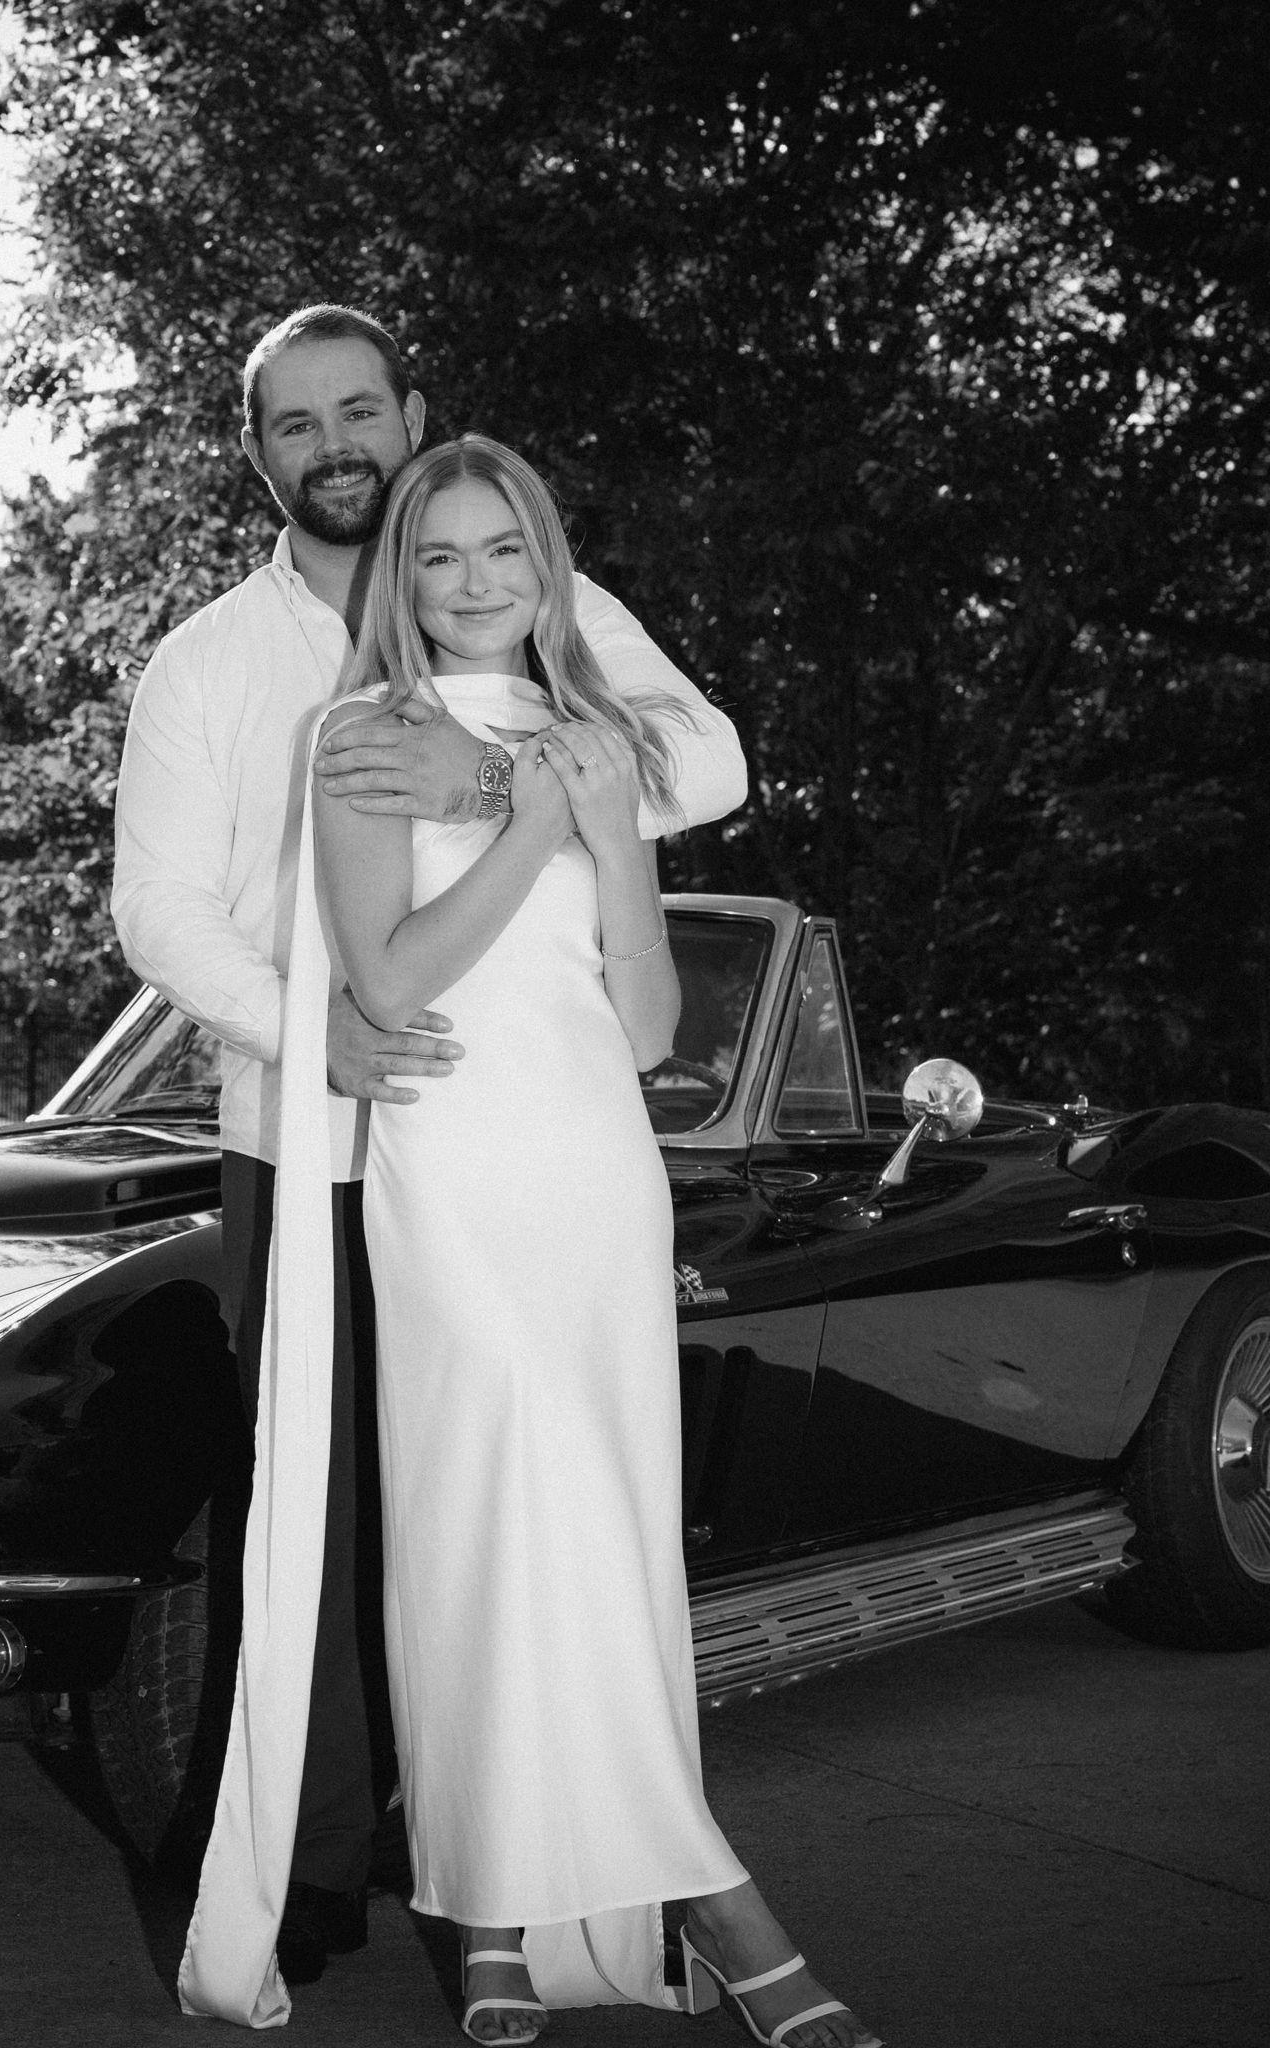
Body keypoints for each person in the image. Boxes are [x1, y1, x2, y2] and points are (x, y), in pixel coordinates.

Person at [115, 305, 747, 2022]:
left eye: (358, 410)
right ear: (258, 454)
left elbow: (706, 755)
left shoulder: (532, 593)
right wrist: (303, 1025)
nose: (335, 444)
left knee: (522, 1504)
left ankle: (540, 1860)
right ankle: (322, 1866)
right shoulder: (205, 664)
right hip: (308, 1134)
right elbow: (157, 904)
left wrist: (498, 772)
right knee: (313, 1521)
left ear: (410, 415)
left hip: (515, 1137)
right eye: (294, 423)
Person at [226, 430, 880, 2048]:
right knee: (479, 1531)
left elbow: (645, 1025)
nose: (473, 584)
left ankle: (526, 1912)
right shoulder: (362, 736)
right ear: (402, 575)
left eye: (503, 550)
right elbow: (389, 980)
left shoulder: (604, 742)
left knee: (609, 1544)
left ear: (550, 566)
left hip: (597, 1174)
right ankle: (678, 1907)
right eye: (439, 555)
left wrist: (610, 835)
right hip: (455, 1178)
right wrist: (536, 823)